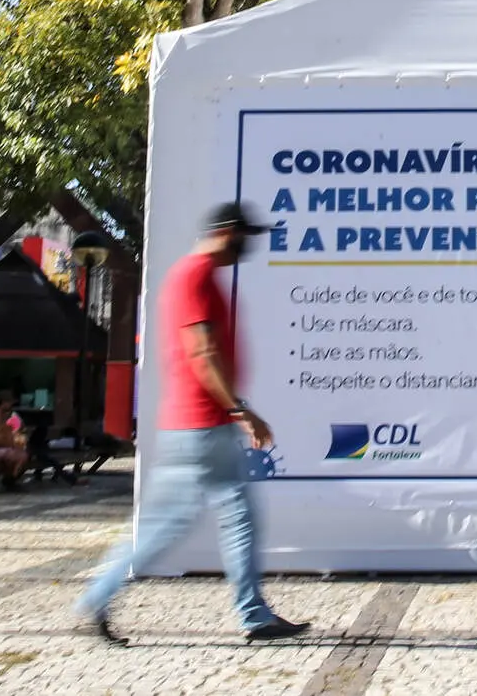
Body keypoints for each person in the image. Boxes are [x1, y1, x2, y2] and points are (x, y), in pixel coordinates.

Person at [75, 201, 309, 646]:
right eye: (247, 235)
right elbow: (202, 354)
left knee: (224, 516)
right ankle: (99, 594)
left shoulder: (198, 276)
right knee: (176, 522)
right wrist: (240, 409)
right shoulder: (195, 276)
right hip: (202, 425)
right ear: (226, 232)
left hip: (200, 424)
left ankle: (254, 615)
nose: (250, 244)